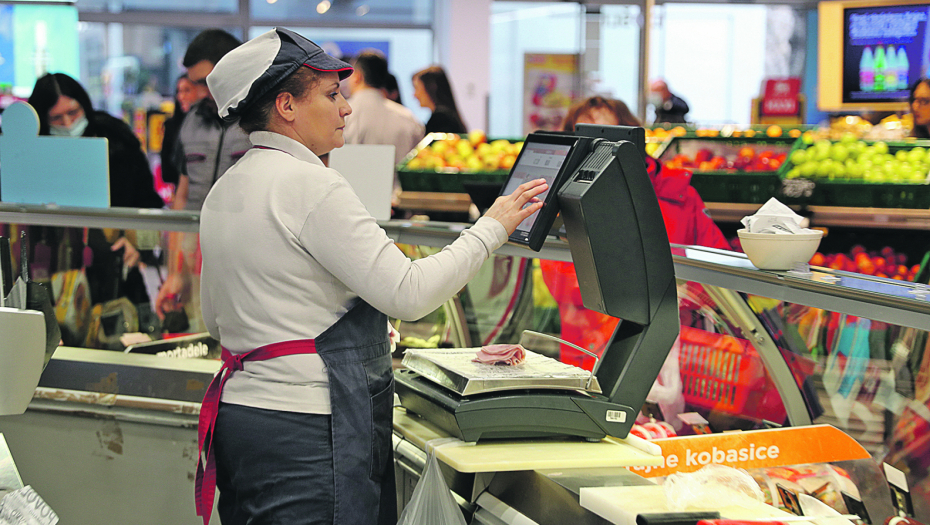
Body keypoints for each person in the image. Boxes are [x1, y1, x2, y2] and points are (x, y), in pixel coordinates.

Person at [195, 28, 548, 524]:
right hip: (309, 431)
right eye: (332, 94)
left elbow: (217, 319)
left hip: (245, 420)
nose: (347, 108)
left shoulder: (226, 188)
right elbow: (409, 291)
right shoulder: (310, 184)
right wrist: (492, 228)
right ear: (286, 106)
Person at [540, 95, 728, 368]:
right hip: (589, 358)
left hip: (674, 356)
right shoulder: (564, 198)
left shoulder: (680, 195)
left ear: (633, 143)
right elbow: (562, 283)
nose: (595, 153)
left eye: (605, 142)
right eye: (583, 142)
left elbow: (718, 272)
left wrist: (681, 295)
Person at [27, 73, 164, 327]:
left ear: (84, 105)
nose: (67, 123)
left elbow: (149, 202)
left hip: (115, 273)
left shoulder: (116, 139)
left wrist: (139, 245)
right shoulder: (28, 152)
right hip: (50, 273)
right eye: (56, 118)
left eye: (74, 112)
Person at [155, 29, 250, 326]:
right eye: (194, 84)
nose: (198, 92)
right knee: (199, 332)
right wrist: (175, 271)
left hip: (245, 251)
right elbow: (182, 197)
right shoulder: (190, 122)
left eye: (205, 83)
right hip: (196, 249)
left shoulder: (260, 119)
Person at [343, 50, 424, 198]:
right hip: (400, 205)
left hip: (354, 201)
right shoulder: (409, 118)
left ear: (358, 76)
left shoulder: (344, 114)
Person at [160, 74, 206, 186]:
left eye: (187, 90)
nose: (181, 97)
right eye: (179, 91)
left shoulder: (210, 126)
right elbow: (166, 172)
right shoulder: (171, 126)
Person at [412, 65, 467, 134]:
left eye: (417, 88)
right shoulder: (445, 116)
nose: (414, 95)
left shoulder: (441, 119)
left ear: (430, 88)